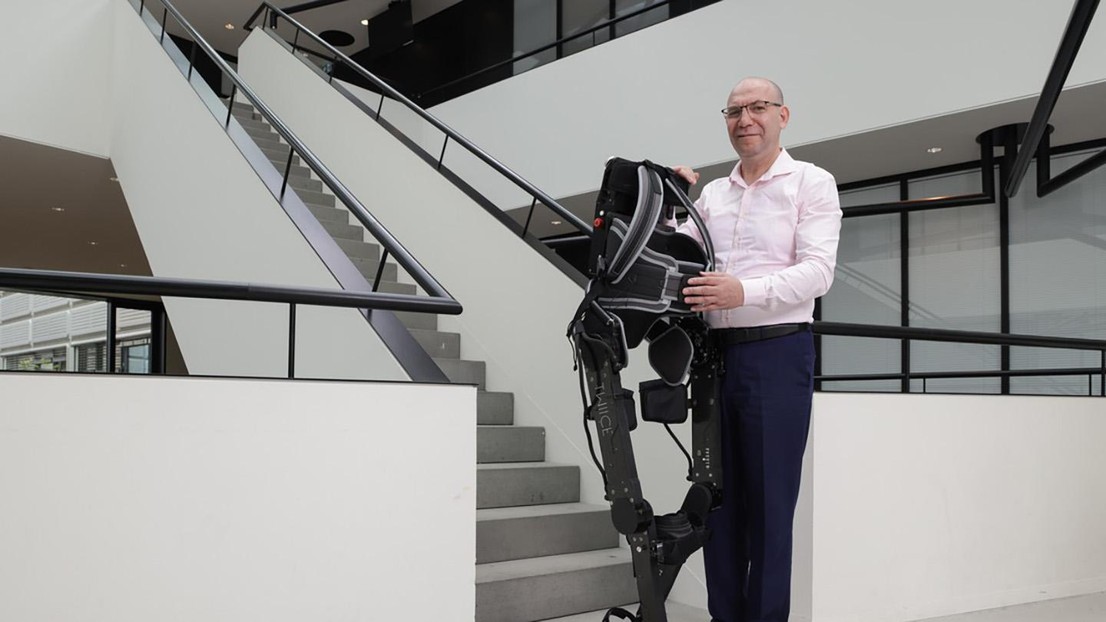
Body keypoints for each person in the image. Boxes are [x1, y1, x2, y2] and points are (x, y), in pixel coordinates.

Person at [673, 77, 842, 622]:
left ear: (783, 115)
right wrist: (675, 205)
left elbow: (819, 273)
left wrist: (743, 291)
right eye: (734, 111)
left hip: (777, 355)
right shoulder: (713, 196)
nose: (744, 119)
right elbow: (682, 261)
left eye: (757, 108)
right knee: (717, 506)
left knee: (770, 509)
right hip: (714, 359)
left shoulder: (811, 184)